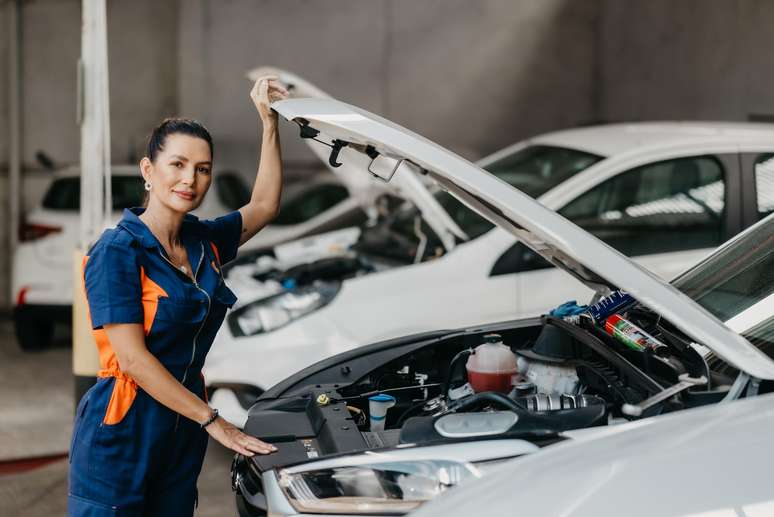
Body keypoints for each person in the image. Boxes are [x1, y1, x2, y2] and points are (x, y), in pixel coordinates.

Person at [68, 76, 289, 516]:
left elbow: (263, 205)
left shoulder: (201, 240)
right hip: (123, 434)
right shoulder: (117, 252)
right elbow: (131, 358)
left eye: (203, 168)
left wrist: (269, 123)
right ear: (149, 171)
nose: (190, 179)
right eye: (177, 164)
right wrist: (214, 421)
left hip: (179, 432)